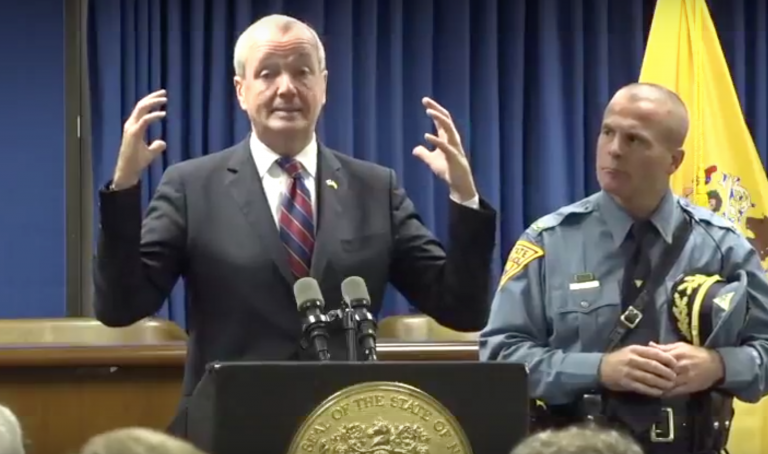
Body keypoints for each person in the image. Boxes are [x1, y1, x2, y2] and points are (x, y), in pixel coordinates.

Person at [93, 14, 496, 434]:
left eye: (302, 72)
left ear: (323, 85)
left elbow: (462, 309)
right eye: (267, 74)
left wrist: (464, 197)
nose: (286, 88)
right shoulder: (191, 186)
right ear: (241, 91)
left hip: (343, 430)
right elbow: (121, 308)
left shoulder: (374, 188)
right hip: (228, 426)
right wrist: (124, 189)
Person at [479, 82, 768, 453]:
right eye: (608, 132)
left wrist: (719, 365)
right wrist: (599, 369)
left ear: (674, 161)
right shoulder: (549, 240)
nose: (614, 150)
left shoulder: (722, 245)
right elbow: (500, 357)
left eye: (635, 140)